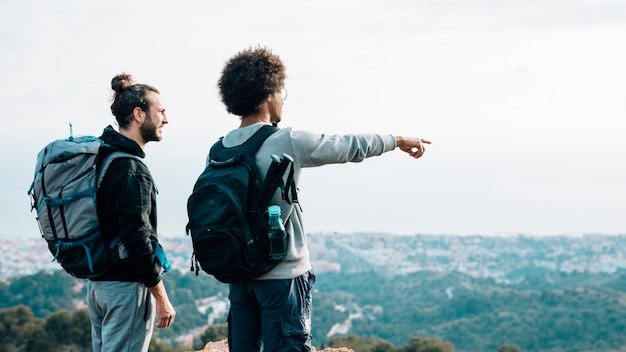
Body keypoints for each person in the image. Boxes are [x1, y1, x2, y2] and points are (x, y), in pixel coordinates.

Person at [213, 46, 431, 352]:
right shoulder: (285, 139)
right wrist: (397, 140)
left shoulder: (220, 148)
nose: (282, 100)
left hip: (239, 274)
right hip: (281, 274)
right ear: (267, 95)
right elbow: (348, 146)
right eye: (281, 92)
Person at [87, 73, 176, 352]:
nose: (165, 118)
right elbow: (137, 237)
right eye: (160, 111)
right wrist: (160, 296)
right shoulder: (132, 170)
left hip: (99, 287)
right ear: (139, 114)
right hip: (125, 290)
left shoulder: (103, 157)